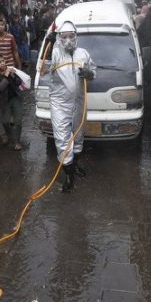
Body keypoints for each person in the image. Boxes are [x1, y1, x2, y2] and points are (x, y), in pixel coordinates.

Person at [40, 21, 95, 192]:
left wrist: (89, 74)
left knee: (78, 135)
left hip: (79, 102)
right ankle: (69, 176)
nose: (68, 40)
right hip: (60, 104)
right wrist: (46, 50)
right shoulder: (55, 54)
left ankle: (75, 165)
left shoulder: (83, 54)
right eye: (64, 37)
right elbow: (43, 71)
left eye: (71, 36)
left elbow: (93, 71)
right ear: (59, 38)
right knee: (63, 141)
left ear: (76, 36)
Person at [0, 54, 25, 151]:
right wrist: (6, 75)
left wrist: (14, 75)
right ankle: (10, 137)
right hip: (3, 101)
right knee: (5, 122)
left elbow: (19, 83)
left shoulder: (10, 70)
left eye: (3, 61)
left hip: (15, 98)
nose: (2, 63)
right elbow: (0, 88)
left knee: (18, 121)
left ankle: (17, 142)